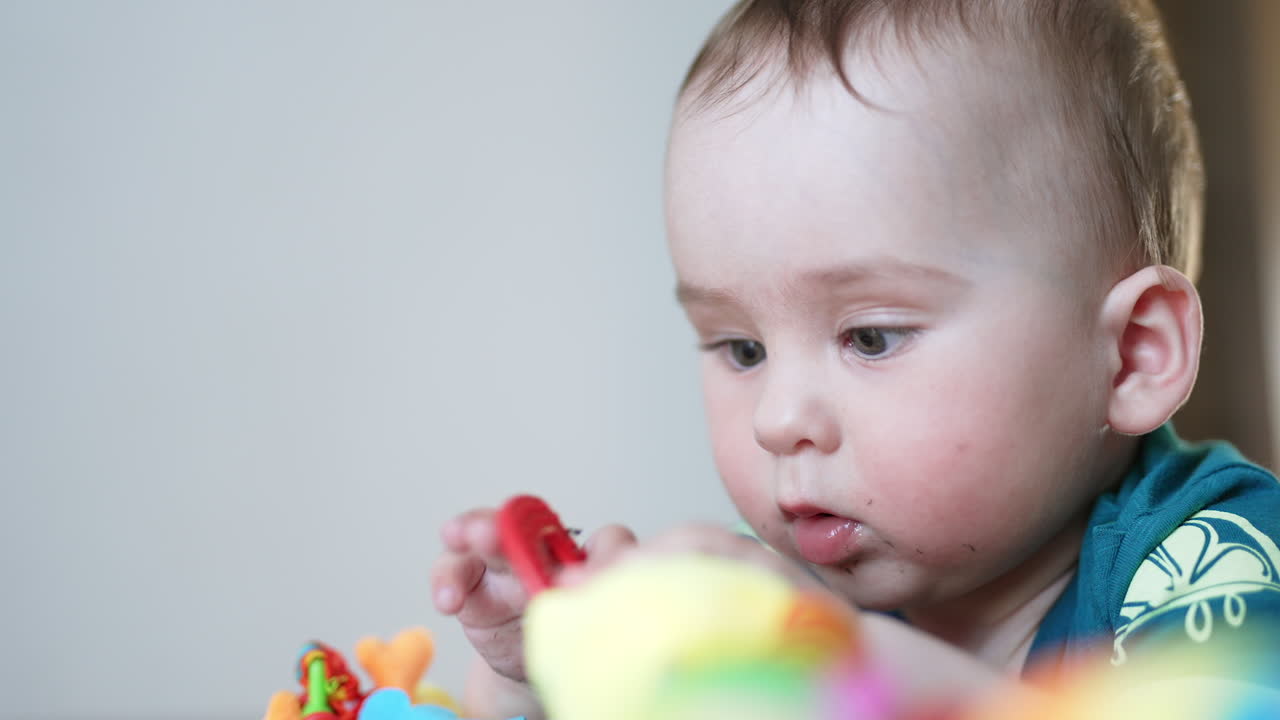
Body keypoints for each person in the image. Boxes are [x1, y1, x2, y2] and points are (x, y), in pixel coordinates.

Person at [431, 1, 1280, 717]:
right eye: (743, 348)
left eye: (869, 336)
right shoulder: (776, 590)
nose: (777, 419)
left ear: (1131, 356)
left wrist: (835, 666)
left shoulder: (1215, 563)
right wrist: (550, 677)